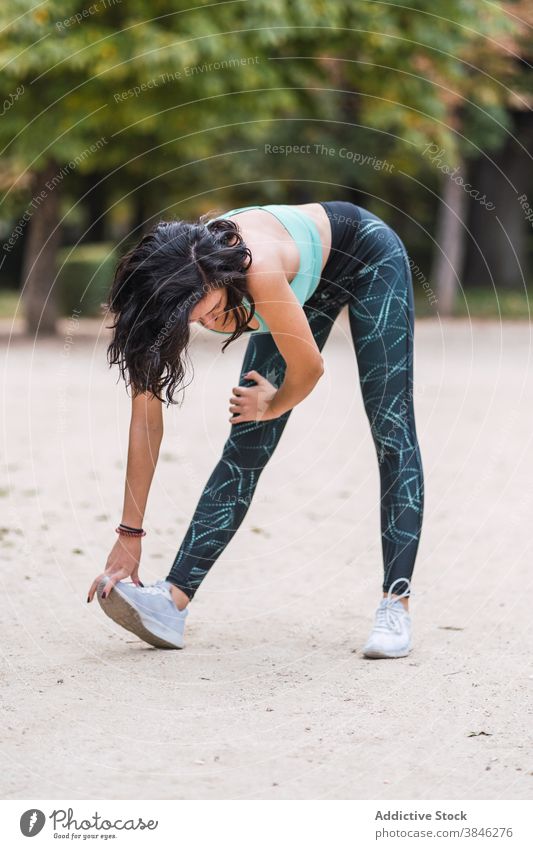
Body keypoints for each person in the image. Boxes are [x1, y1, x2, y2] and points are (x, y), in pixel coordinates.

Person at [87, 200, 424, 659]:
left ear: (214, 275)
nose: (204, 323)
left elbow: (309, 368)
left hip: (365, 257)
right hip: (293, 289)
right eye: (191, 319)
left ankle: (395, 603)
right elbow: (145, 423)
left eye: (204, 308)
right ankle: (172, 602)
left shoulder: (258, 268)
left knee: (391, 427)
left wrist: (274, 403)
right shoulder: (161, 301)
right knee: (244, 441)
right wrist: (130, 534)